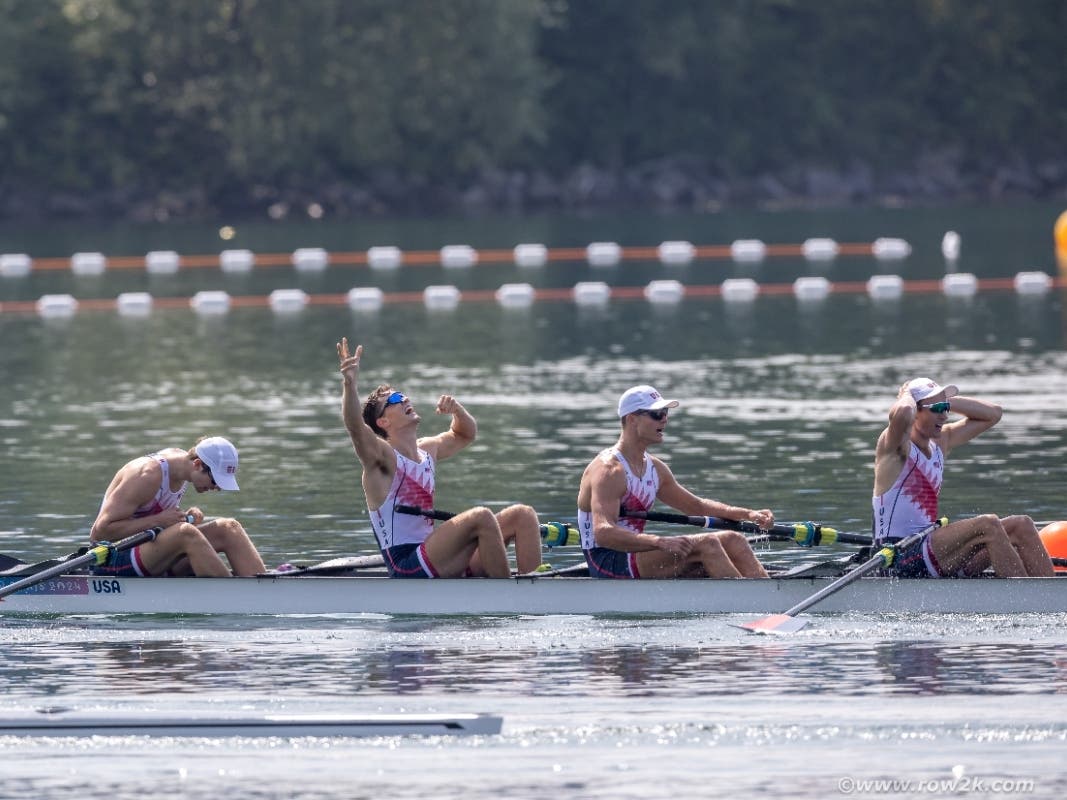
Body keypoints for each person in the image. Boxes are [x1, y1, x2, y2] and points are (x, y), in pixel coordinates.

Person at [336, 338, 543, 578]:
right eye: (394, 400)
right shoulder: (382, 459)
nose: (404, 399)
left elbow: (465, 434)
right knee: (482, 517)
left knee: (523, 515)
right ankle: (510, 599)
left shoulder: (428, 450)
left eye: (402, 395)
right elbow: (355, 427)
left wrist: (457, 410)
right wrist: (349, 384)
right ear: (383, 422)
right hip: (407, 565)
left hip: (435, 555)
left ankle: (533, 590)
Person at [576, 385, 772, 579]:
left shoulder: (655, 468)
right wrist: (659, 541)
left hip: (638, 554)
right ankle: (746, 603)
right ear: (632, 419)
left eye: (665, 412)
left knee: (734, 539)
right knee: (708, 543)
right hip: (607, 560)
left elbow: (696, 506)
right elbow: (603, 532)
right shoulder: (609, 470)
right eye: (657, 414)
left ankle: (767, 599)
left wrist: (748, 514)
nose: (664, 419)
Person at [872, 377, 1053, 578]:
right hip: (898, 555)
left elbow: (993, 414)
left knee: (1022, 525)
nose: (944, 416)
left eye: (945, 408)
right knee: (988, 524)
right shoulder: (895, 447)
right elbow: (903, 413)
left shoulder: (941, 442)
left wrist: (942, 401)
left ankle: (1051, 600)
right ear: (916, 411)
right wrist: (908, 393)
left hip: (930, 548)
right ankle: (1026, 603)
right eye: (937, 409)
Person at [89, 436, 266, 577]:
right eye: (215, 481)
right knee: (185, 534)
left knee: (228, 528)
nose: (217, 488)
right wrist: (159, 520)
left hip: (151, 556)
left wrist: (184, 518)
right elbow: (100, 532)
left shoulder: (181, 467)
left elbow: (154, 519)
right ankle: (234, 597)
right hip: (111, 559)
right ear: (197, 464)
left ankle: (263, 591)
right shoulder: (147, 475)